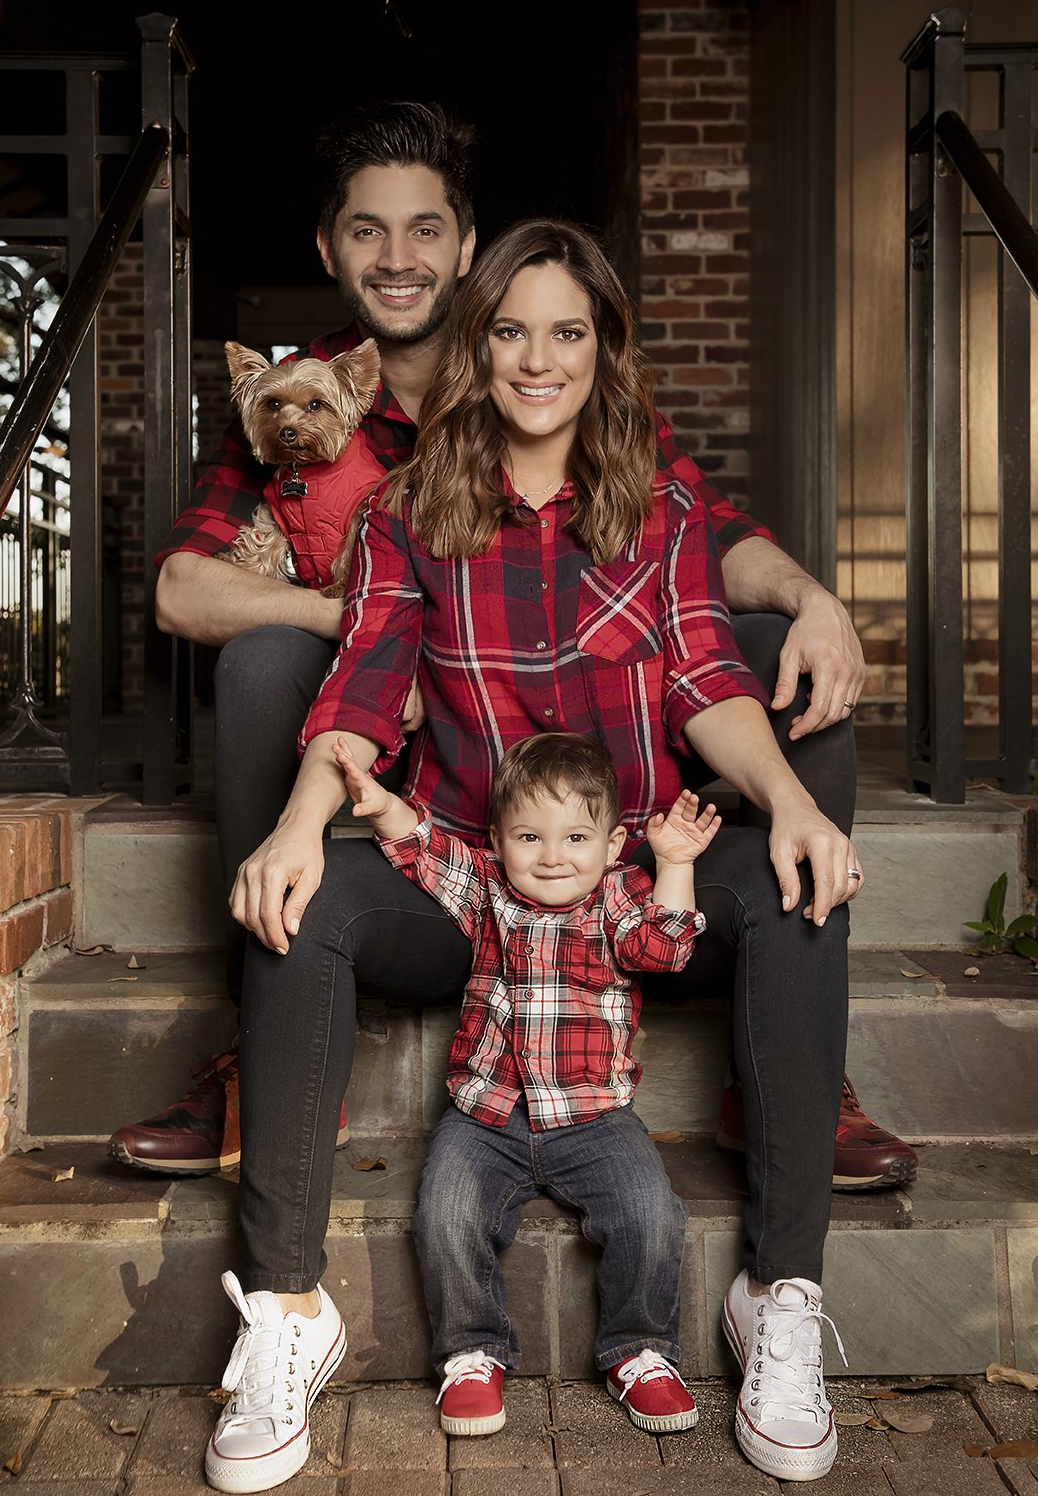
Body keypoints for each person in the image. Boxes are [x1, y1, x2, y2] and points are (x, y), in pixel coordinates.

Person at [111, 99, 916, 1196]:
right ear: (326, 247)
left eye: (426, 228)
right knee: (260, 661)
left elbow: (695, 528)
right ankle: (275, 1036)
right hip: (398, 752)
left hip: (581, 772)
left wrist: (812, 594)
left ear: (469, 247)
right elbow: (181, 586)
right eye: (366, 230)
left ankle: (788, 1060)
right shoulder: (296, 396)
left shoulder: (544, 365)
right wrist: (373, 631)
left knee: (777, 648)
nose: (397, 258)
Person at [203, 219, 862, 1493]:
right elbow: (361, 682)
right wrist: (294, 828)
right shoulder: (412, 515)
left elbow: (712, 677)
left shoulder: (660, 511)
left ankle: (780, 1295)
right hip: (466, 886)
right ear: (476, 343)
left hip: (634, 885)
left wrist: (781, 796)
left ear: (603, 347)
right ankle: (288, 1308)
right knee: (298, 906)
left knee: (797, 882)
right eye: (510, 330)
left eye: (567, 330)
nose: (536, 358)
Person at [335, 730, 718, 1439]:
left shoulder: (618, 899)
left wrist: (673, 864)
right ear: (497, 840)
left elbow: (665, 949)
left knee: (650, 1213)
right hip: (486, 1114)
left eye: (576, 836)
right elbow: (423, 849)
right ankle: (473, 1351)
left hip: (594, 1117)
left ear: (611, 845)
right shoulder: (487, 888)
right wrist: (380, 800)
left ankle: (638, 1348)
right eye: (528, 835)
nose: (551, 855)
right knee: (446, 1212)